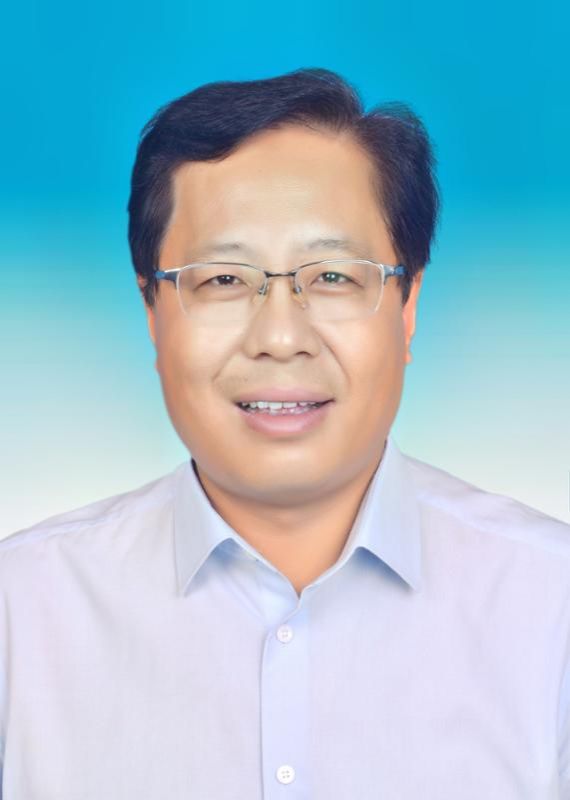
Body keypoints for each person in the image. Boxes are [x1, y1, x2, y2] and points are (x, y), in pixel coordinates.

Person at [0, 67, 569, 799]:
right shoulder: (20, 617)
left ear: (407, 307)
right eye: (222, 279)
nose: (279, 338)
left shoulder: (551, 609)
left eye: (332, 277)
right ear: (152, 312)